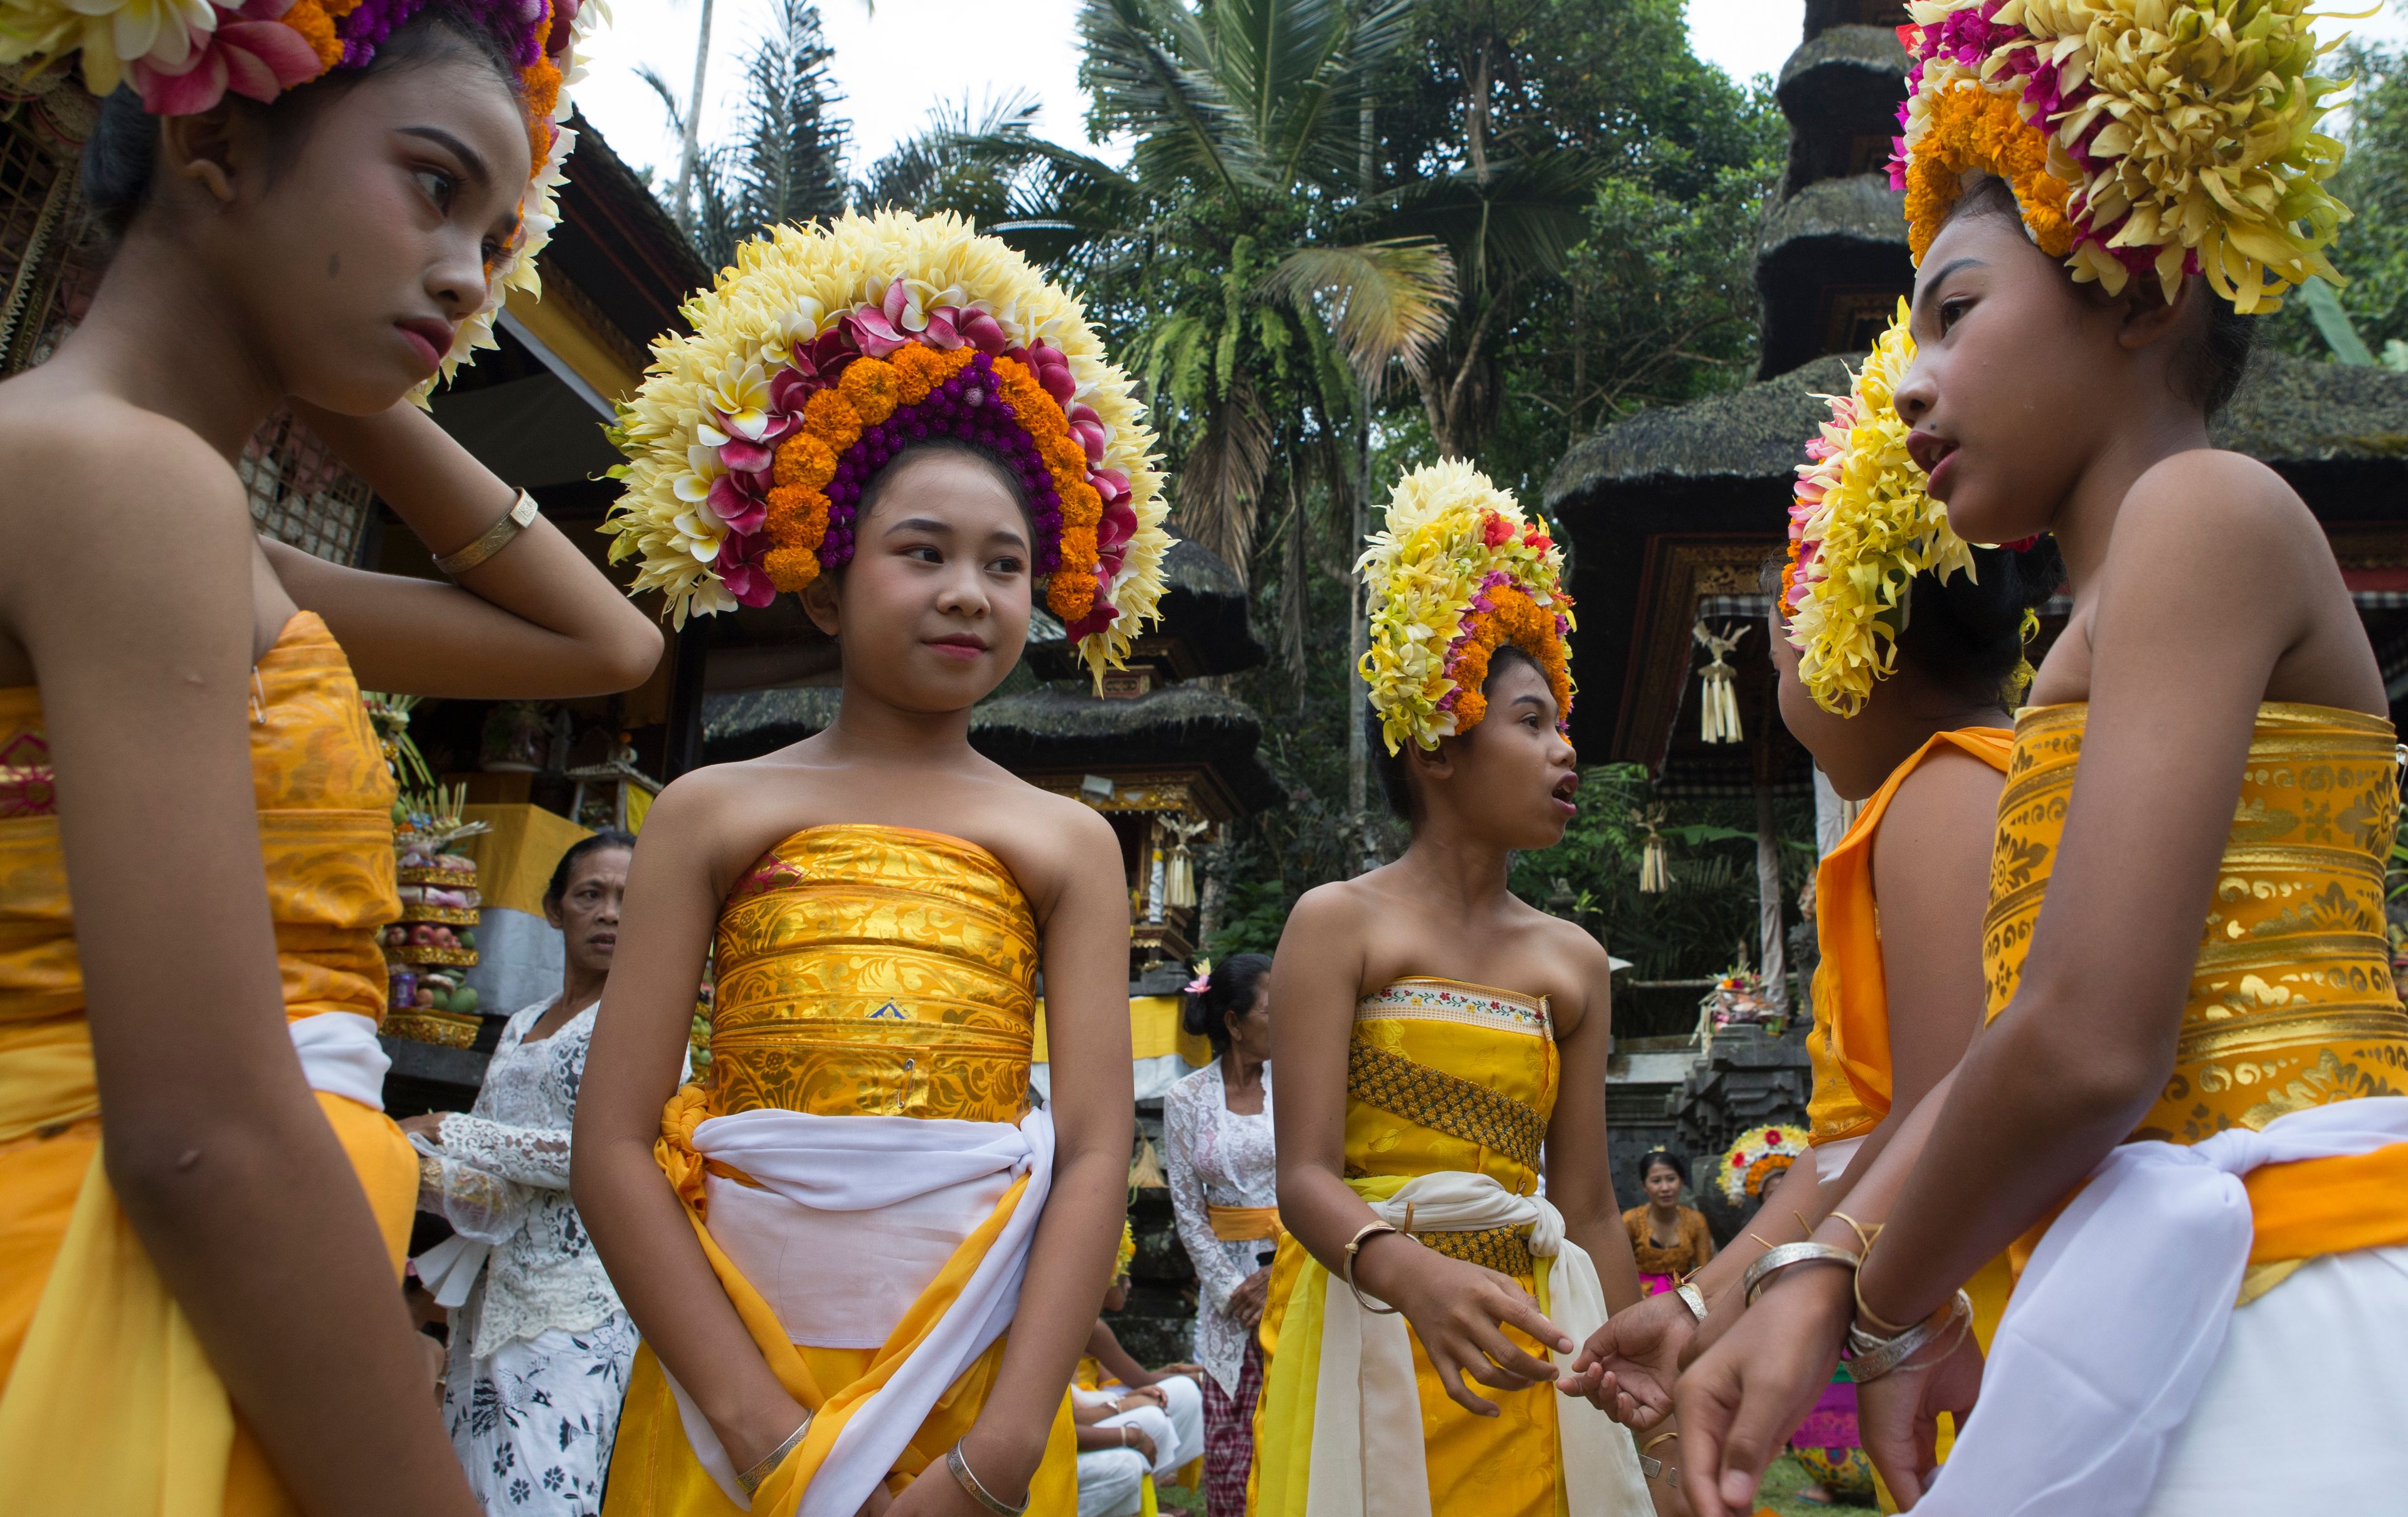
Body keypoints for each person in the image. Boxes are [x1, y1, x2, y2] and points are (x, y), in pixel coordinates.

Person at [1671, 3, 2408, 1513]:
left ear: (2131, 291)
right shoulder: (2100, 634)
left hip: (2300, 1294)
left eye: (1950, 310)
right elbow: (2009, 1044)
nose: (1904, 381)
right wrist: (1823, 1280)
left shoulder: (2203, 515)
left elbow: (2082, 1041)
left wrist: (1850, 1291)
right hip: (2196, 1303)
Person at [0, 3, 659, 1513]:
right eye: (432, 186)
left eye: (497, 241)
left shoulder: (163, 507)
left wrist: (340, 376)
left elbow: (605, 652)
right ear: (213, 135)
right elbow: (206, 1139)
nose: (465, 275)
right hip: (116, 1285)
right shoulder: (126, 484)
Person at [574, 209, 1172, 1517]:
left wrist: (1001, 1454)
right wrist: (758, 1424)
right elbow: (613, 1144)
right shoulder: (712, 813)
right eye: (924, 553)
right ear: (821, 582)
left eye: (1006, 565)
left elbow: (1089, 1154)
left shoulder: (1065, 843)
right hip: (728, 1392)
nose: (970, 591)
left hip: (975, 1398)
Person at [1565, 314, 2061, 1500]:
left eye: (1779, 642)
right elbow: (1862, 1133)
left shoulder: (1946, 791)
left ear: (1841, 639)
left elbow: (1949, 1102)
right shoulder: (1935, 792)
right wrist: (1699, 1301)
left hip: (1997, 1294)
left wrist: (1850, 1304)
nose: (1778, 671)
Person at [1251, 460, 1653, 1517]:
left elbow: (1591, 1201)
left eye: (1562, 722)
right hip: (1369, 1319)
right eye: (1531, 720)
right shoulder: (1340, 924)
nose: (1566, 748)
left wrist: (1625, 1361)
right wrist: (1408, 1272)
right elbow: (1304, 1176)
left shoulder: (1571, 961)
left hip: (1533, 1345)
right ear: (1438, 740)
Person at [408, 830, 653, 1514]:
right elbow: (496, 1187)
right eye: (590, 895)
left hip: (577, 1310)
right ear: (554, 909)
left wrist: (442, 1129)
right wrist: (412, 1165)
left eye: (630, 900)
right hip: (490, 1309)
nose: (609, 912)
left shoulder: (644, 1024)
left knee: (547, 1494)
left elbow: (598, 1159)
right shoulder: (520, 1025)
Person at [1161, 951, 1275, 1517]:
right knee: (1234, 1448)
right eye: (1270, 1008)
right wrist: (1235, 1290)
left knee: (1294, 1429)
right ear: (1233, 1022)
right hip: (1228, 1297)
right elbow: (1187, 1209)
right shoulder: (1186, 1100)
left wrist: (1279, 1275)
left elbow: (1329, 1178)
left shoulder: (1300, 1087)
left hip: (1301, 1276)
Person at [1072, 1226, 1206, 1517]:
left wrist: (1167, 1377)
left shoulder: (1089, 1321)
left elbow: (1119, 1381)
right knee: (1163, 1407)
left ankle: (1146, 1492)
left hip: (1087, 1408)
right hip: (1077, 1421)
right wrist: (1126, 1408)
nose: (1130, 1285)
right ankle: (1144, 1495)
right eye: (1125, 1276)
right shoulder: (1087, 1325)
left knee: (1175, 1394)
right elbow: (1140, 1383)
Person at [1620, 1151, 1713, 1298]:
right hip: (1638, 1298)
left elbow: (1705, 1271)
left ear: (1681, 1182)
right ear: (1644, 1186)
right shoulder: (1631, 1220)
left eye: (1671, 1179)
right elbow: (1620, 1270)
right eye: (1656, 1181)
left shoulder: (1697, 1221)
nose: (1665, 1188)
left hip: (1684, 1298)